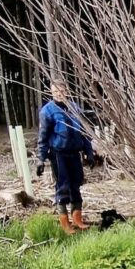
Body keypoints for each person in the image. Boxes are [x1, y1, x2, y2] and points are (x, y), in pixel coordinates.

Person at [36, 79, 95, 234]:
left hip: (74, 153)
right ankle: (64, 222)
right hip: (58, 154)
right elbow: (42, 137)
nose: (59, 95)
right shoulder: (47, 111)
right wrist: (40, 159)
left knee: (76, 184)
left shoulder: (75, 108)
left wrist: (89, 152)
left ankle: (77, 219)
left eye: (61, 91)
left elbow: (84, 133)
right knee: (63, 186)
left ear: (67, 91)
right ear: (51, 92)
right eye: (56, 92)